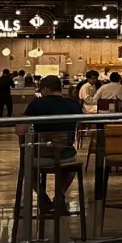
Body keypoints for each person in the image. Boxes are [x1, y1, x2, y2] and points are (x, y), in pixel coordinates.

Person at [15, 75, 83, 210]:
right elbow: (81, 126)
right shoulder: (73, 105)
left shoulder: (37, 104)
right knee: (71, 166)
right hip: (65, 156)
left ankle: (42, 196)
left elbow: (20, 130)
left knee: (28, 165)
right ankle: (59, 194)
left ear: (45, 89)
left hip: (41, 156)